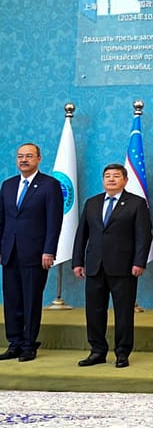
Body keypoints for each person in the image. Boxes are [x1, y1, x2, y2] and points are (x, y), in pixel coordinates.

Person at [72, 164, 153, 368]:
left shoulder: (136, 203)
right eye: (107, 176)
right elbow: (81, 234)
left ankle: (122, 353)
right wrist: (77, 261)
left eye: (116, 176)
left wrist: (139, 262)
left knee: (124, 312)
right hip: (94, 266)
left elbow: (143, 236)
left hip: (124, 267)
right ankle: (97, 351)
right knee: (94, 311)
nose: (111, 179)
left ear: (125, 180)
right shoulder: (92, 203)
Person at [0, 143, 63, 362]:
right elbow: (2, 220)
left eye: (28, 156)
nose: (24, 160)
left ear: (38, 158)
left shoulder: (50, 185)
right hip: (9, 253)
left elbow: (54, 221)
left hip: (36, 254)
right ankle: (14, 343)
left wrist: (49, 250)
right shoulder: (7, 185)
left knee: (31, 300)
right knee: (12, 300)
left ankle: (29, 345)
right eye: (20, 156)